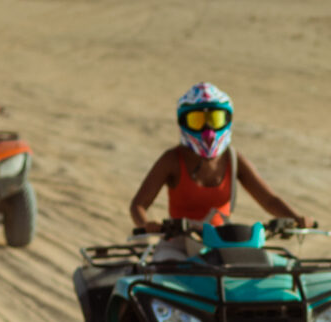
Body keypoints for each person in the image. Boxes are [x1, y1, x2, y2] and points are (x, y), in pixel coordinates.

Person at [129, 82, 310, 234]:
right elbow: (138, 205)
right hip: (179, 242)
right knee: (167, 263)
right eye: (197, 120)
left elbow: (269, 200)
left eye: (215, 119)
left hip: (222, 241)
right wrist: (146, 224)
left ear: (227, 119)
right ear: (183, 122)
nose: (208, 130)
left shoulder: (233, 159)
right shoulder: (172, 160)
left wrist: (296, 218)